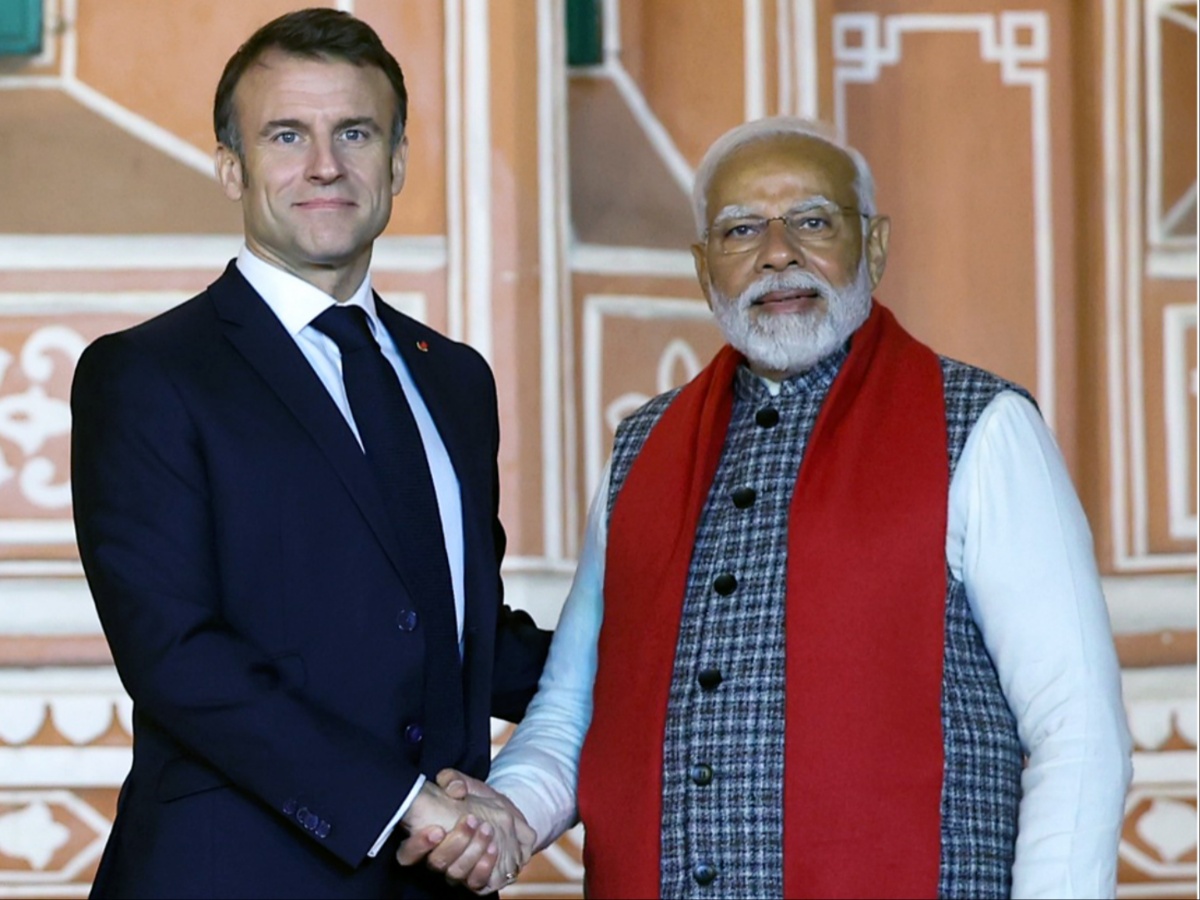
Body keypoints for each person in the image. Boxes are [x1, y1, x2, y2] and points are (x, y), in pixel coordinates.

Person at [399, 117, 1134, 899]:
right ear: (702, 268)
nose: (778, 252)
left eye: (813, 221)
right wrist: (505, 813)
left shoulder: (982, 427)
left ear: (875, 247)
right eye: (741, 229)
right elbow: (578, 705)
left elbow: (1077, 726)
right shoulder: (643, 446)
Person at [70, 8, 549, 898]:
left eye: (354, 133)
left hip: (431, 884)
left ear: (397, 163)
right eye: (286, 134)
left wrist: (656, 669)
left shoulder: (456, 379)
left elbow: (454, 629)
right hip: (230, 877)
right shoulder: (146, 375)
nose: (325, 164)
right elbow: (177, 654)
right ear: (231, 166)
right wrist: (401, 802)